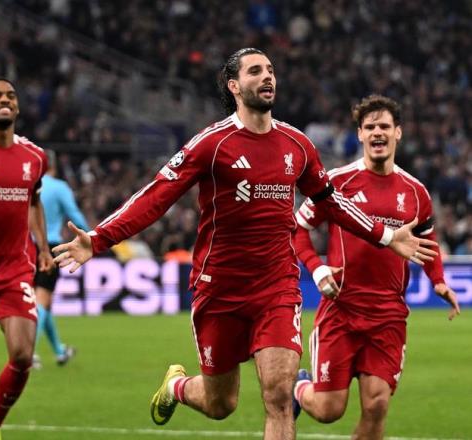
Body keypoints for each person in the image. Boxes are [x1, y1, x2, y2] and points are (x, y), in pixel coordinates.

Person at [53, 50, 436, 440]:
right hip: (220, 289)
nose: (267, 76)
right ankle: (177, 387)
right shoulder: (212, 144)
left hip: (277, 287)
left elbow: (331, 201)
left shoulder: (297, 144)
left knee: (280, 396)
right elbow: (156, 197)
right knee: (221, 403)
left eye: (270, 70)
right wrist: (98, 239)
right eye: (256, 71)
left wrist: (387, 236)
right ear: (234, 85)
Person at [292, 95, 460, 440]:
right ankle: (299, 387)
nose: (377, 132)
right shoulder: (336, 183)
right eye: (370, 127)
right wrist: (317, 269)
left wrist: (438, 280)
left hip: (388, 315)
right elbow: (297, 229)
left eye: (384, 126)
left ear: (398, 132)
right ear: (360, 134)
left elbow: (427, 238)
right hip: (341, 309)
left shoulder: (416, 192)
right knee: (328, 410)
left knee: (377, 405)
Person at [0, 78, 53, 440]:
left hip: (14, 269)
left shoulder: (35, 157)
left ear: (17, 107)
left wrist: (43, 247)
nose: (4, 100)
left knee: (22, 355)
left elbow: (34, 201)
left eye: (10, 96)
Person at [32, 149, 89, 369]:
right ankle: (29, 351)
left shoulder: (29, 185)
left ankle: (59, 350)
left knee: (42, 302)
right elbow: (74, 215)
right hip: (50, 247)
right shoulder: (59, 187)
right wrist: (91, 235)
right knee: (43, 299)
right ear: (54, 166)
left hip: (27, 246)